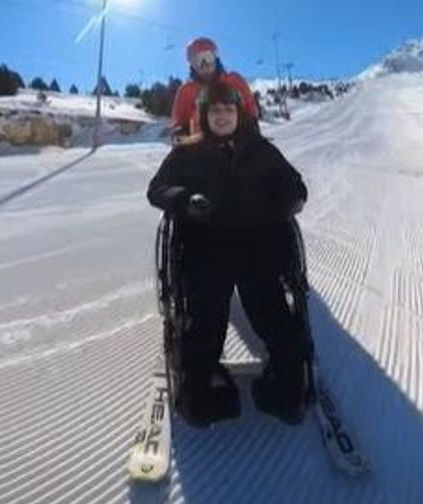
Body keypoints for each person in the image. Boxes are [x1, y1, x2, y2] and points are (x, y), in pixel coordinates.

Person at [148, 81, 310, 428]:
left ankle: (287, 386)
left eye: (228, 110)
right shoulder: (187, 152)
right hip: (204, 248)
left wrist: (288, 199)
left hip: (259, 247)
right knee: (205, 317)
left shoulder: (262, 149)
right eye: (215, 111)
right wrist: (183, 200)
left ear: (239, 114)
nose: (222, 116)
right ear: (203, 116)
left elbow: (294, 185)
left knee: (272, 313)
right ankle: (200, 392)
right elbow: (157, 190)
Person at [171, 37, 259, 142]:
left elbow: (250, 108)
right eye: (197, 61)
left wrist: (251, 130)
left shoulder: (233, 81)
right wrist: (181, 136)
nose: (204, 64)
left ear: (216, 57)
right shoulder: (186, 91)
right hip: (201, 147)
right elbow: (179, 121)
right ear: (191, 65)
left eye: (207, 58)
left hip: (236, 142)